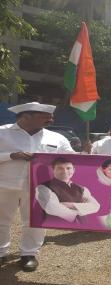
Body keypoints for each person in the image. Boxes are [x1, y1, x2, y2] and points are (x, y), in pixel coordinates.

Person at [0, 102, 74, 271]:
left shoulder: (57, 137)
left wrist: (85, 154)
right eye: (45, 117)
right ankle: (1, 252)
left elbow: (71, 159)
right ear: (26, 116)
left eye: (51, 116)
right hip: (4, 184)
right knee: (1, 221)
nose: (51, 119)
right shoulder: (2, 132)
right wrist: (12, 155)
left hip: (40, 187)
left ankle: (29, 254)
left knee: (35, 221)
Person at [35, 157, 100, 223]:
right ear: (53, 169)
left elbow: (95, 206)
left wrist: (71, 205)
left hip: (82, 226)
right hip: (58, 225)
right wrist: (80, 211)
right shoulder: (43, 188)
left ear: (73, 170)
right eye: (60, 168)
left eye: (68, 168)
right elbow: (51, 208)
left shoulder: (82, 189)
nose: (65, 171)